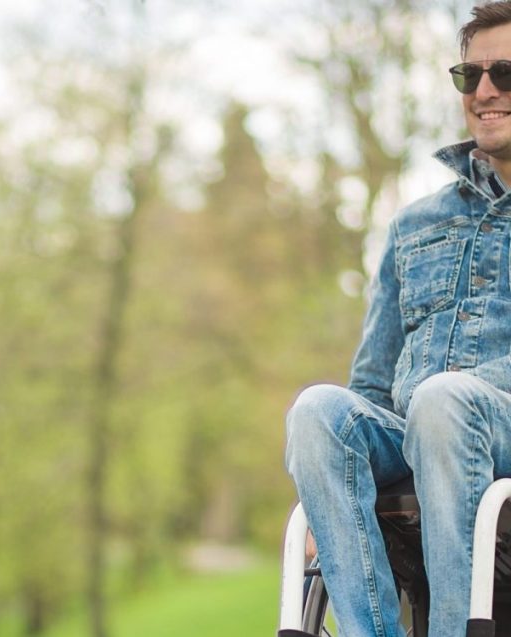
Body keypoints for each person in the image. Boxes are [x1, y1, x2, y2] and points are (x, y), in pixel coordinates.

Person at [285, 3, 511, 636]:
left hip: (499, 422)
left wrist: (453, 402)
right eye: (470, 76)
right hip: (416, 428)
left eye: (506, 74)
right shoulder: (415, 224)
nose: (485, 91)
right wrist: (326, 491)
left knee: (443, 401)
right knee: (318, 412)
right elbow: (371, 382)